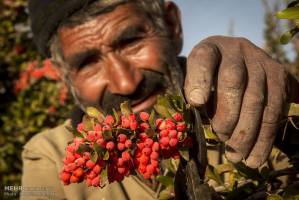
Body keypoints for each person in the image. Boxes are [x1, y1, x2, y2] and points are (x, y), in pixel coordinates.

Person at [21, 0, 299, 199]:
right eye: (88, 63)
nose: (126, 84)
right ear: (63, 75)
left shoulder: (249, 104)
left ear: (171, 25)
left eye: (131, 41)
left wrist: (292, 101)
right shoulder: (48, 158)